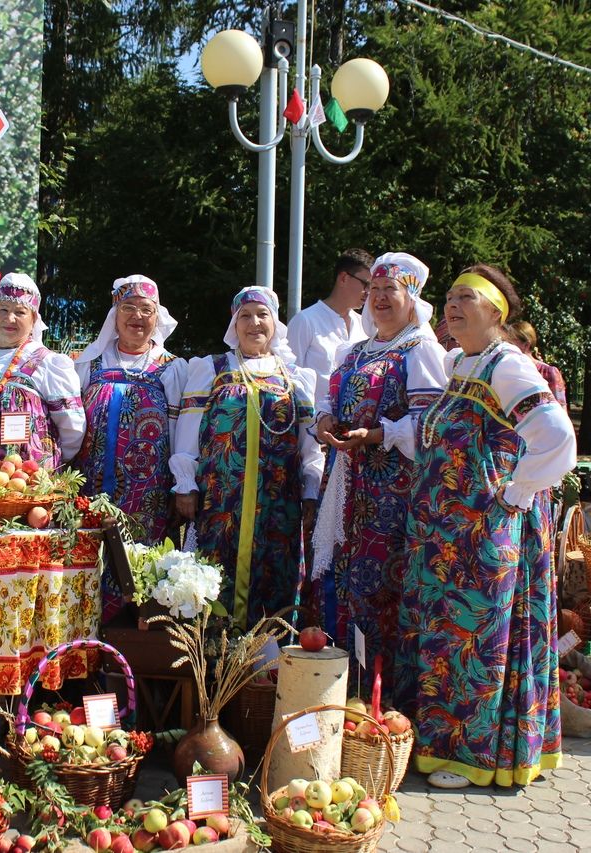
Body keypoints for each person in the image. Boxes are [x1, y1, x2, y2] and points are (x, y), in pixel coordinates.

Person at [396, 264, 576, 789]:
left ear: (495, 312)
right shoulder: (462, 363)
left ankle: (470, 759)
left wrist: (517, 491)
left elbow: (556, 437)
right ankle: (448, 748)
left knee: (473, 644)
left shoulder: (507, 366)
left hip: (482, 534)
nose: (452, 306)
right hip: (446, 538)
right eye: (449, 297)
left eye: (466, 298)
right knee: (448, 643)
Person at [311, 253, 447, 697]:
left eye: (392, 290)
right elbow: (329, 399)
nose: (380, 298)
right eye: (375, 290)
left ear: (413, 298)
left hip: (391, 491)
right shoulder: (355, 349)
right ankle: (338, 681)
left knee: (379, 586)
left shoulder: (421, 349)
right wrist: (326, 422)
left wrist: (376, 435)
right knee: (343, 578)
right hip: (347, 478)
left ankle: (380, 695)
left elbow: (429, 425)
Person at [172, 286, 324, 629]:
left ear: (275, 322)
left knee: (274, 584)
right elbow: (189, 431)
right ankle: (211, 663)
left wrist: (311, 491)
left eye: (262, 315)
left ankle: (266, 669)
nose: (254, 323)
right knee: (213, 582)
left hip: (278, 506)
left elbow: (309, 444)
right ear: (234, 324)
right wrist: (185, 483)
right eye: (245, 316)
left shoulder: (297, 377)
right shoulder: (211, 369)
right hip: (220, 501)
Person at [72, 274, 186, 543]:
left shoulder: (172, 367)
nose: (138, 315)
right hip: (89, 487)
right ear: (114, 315)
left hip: (150, 494)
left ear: (157, 318)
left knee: (143, 568)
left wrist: (181, 486)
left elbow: (181, 430)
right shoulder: (89, 363)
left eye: (147, 309)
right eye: (128, 307)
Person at [0, 273, 85, 468]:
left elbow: (72, 427)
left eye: (20, 312)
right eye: (3, 310)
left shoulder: (48, 363)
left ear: (33, 319)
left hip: (26, 482)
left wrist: (50, 463)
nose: (10, 318)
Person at [287, 248, 373, 405]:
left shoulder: (365, 326)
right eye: (366, 284)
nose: (368, 292)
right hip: (310, 426)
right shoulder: (305, 321)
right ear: (344, 278)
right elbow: (287, 378)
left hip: (353, 426)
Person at [507, 320, 567, 408]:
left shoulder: (548, 372)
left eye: (511, 342)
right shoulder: (508, 371)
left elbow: (561, 409)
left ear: (526, 345)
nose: (506, 346)